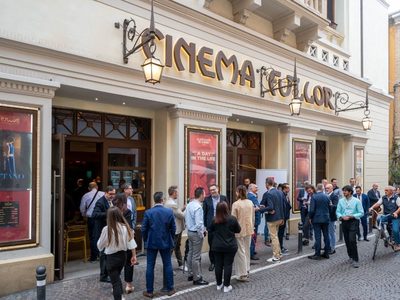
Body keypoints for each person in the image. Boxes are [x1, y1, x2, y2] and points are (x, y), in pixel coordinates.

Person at [97, 206, 137, 300]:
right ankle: (121, 296)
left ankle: (119, 297)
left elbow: (99, 246)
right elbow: (131, 243)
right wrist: (134, 256)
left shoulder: (106, 229)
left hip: (111, 258)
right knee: (117, 277)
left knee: (114, 282)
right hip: (123, 257)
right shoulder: (125, 227)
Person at [141, 192, 176, 297]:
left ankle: (150, 291)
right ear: (162, 200)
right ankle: (170, 288)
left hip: (152, 242)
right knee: (168, 264)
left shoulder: (148, 212)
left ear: (154, 200)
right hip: (165, 241)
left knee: (150, 266)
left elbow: (143, 229)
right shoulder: (169, 212)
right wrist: (170, 237)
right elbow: (173, 228)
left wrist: (146, 239)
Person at [208, 202, 241, 293]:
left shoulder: (214, 220)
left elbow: (209, 229)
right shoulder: (232, 219)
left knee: (218, 265)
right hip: (230, 246)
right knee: (228, 265)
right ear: (227, 208)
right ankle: (227, 285)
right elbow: (238, 230)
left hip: (217, 246)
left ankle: (219, 284)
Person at [185, 187, 208, 285]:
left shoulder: (190, 204)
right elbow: (199, 224)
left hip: (189, 231)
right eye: (204, 194)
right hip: (195, 233)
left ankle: (190, 273)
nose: (205, 196)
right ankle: (197, 277)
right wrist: (202, 234)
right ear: (201, 195)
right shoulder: (198, 207)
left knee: (190, 253)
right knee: (196, 256)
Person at [336, 185, 364, 268]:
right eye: (343, 191)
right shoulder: (341, 201)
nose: (344, 192)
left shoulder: (357, 201)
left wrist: (352, 216)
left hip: (353, 221)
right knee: (347, 240)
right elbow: (338, 211)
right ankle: (350, 256)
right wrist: (341, 216)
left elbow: (361, 212)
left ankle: (356, 259)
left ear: (350, 192)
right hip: (344, 221)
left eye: (345, 191)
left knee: (352, 240)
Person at [93, 186, 116, 282]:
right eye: (110, 194)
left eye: (113, 194)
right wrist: (108, 213)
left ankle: (107, 272)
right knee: (103, 254)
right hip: (102, 231)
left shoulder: (112, 201)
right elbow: (94, 215)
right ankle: (103, 276)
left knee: (108, 253)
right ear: (105, 193)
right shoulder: (100, 202)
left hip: (109, 231)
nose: (112, 196)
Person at [113, 193, 136, 294]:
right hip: (126, 242)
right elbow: (129, 228)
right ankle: (128, 285)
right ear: (124, 203)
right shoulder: (127, 212)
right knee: (128, 263)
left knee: (116, 265)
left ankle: (115, 286)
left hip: (115, 242)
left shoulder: (112, 211)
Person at [203, 184, 228, 271]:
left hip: (223, 224)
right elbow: (204, 214)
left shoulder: (224, 198)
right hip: (211, 225)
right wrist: (205, 226)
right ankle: (213, 262)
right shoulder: (207, 200)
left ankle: (223, 262)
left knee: (223, 243)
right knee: (212, 245)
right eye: (210, 190)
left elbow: (227, 211)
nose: (212, 191)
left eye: (214, 189)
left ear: (218, 189)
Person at [231, 185, 254, 281]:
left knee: (240, 252)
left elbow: (233, 219)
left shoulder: (236, 204)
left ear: (238, 192)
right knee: (247, 250)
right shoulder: (250, 202)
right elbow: (252, 217)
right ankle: (247, 269)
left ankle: (242, 273)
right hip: (249, 229)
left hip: (239, 230)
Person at [261, 177, 285, 263]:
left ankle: (276, 256)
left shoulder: (269, 193)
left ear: (267, 184)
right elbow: (283, 206)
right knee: (276, 237)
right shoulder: (280, 192)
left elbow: (270, 207)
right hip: (279, 218)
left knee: (274, 237)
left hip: (272, 219)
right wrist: (282, 218)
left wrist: (260, 209)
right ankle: (279, 253)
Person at [369, 186, 400, 252]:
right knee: (378, 219)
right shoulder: (383, 198)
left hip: (395, 217)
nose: (385, 191)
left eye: (387, 190)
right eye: (385, 190)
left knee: (396, 230)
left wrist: (396, 213)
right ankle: (383, 236)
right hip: (386, 216)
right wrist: (371, 207)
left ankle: (397, 244)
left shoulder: (397, 198)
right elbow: (378, 203)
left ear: (391, 191)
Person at [80, 182, 104, 262]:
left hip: (92, 218)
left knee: (93, 237)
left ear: (89, 188)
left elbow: (82, 208)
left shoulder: (86, 195)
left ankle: (94, 256)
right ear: (97, 187)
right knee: (102, 235)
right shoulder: (103, 194)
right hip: (102, 217)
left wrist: (84, 215)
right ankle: (102, 254)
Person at [164, 185, 186, 269]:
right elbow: (181, 215)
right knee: (172, 248)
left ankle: (180, 264)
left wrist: (182, 209)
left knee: (176, 247)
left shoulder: (169, 202)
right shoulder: (172, 204)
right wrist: (188, 210)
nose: (178, 194)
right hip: (175, 229)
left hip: (176, 229)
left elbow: (176, 212)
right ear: (174, 193)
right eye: (177, 192)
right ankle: (168, 267)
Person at [308, 183, 331, 260]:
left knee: (318, 237)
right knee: (326, 236)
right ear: (323, 188)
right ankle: (326, 253)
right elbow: (330, 207)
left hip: (316, 219)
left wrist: (310, 218)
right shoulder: (327, 196)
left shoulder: (314, 197)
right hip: (326, 218)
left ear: (316, 188)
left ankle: (317, 254)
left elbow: (312, 210)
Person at [247, 183, 261, 260]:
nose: (257, 188)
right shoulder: (251, 196)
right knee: (253, 237)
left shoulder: (252, 195)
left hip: (255, 219)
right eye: (256, 187)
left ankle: (252, 251)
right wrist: (258, 207)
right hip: (254, 220)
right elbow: (254, 207)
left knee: (253, 237)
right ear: (251, 188)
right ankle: (251, 254)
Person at [326, 183, 339, 254]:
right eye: (326, 188)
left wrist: (331, 205)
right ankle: (328, 246)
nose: (326, 189)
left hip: (331, 216)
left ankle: (333, 248)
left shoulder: (335, 196)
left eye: (328, 188)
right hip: (326, 217)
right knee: (327, 232)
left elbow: (336, 206)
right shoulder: (326, 195)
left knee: (332, 232)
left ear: (331, 188)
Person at [279, 183, 292, 254]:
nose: (289, 189)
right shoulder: (282, 195)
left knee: (281, 233)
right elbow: (282, 207)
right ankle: (280, 247)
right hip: (282, 217)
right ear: (285, 189)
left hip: (285, 216)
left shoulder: (286, 195)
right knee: (280, 233)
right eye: (288, 188)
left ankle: (281, 246)